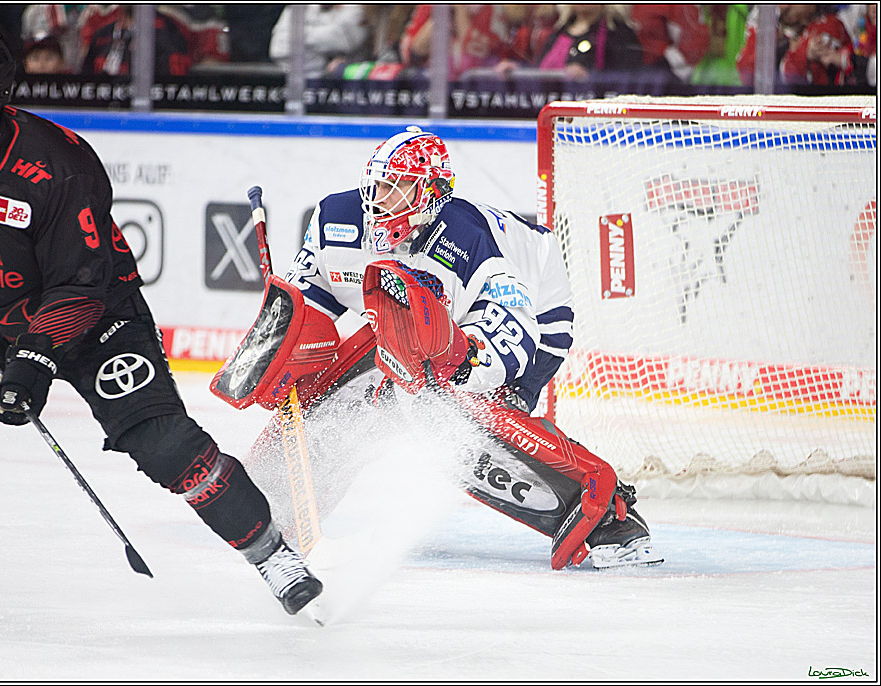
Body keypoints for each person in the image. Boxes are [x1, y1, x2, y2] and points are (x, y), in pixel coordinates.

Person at [0, 26, 322, 617]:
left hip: (100, 319)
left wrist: (33, 362)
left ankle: (273, 554)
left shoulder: (59, 164)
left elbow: (79, 287)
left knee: (165, 446)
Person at [219, 127, 664, 571]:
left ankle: (605, 517)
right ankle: (276, 495)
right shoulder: (337, 219)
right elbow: (310, 300)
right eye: (377, 184)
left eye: (397, 187)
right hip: (426, 322)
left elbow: (517, 331)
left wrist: (459, 367)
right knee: (354, 393)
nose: (378, 198)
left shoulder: (468, 241)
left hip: (537, 306)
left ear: (431, 192)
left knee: (450, 421)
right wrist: (283, 351)